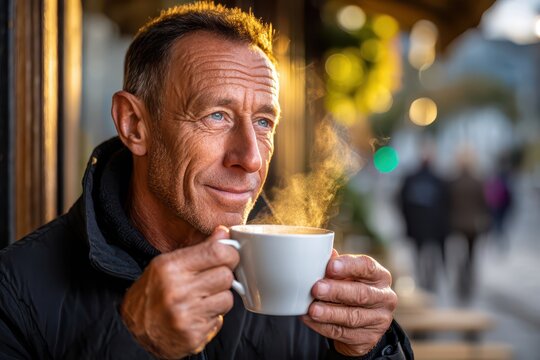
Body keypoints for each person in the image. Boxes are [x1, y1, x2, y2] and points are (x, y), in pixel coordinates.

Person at [0, 3, 412, 359]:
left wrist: (372, 348)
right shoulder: (14, 290)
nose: (250, 158)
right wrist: (136, 342)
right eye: (216, 115)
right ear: (135, 125)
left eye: (264, 121)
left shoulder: (294, 276)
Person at [398, 156, 449, 292]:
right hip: (434, 225)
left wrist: (406, 220)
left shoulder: (411, 179)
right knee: (432, 251)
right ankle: (429, 279)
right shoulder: (438, 180)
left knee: (418, 252)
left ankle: (421, 277)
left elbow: (402, 202)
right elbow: (446, 203)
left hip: (416, 225)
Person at [448, 154, 490, 300]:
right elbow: (484, 204)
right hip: (473, 225)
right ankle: (469, 277)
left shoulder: (454, 182)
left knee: (459, 254)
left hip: (457, 224)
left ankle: (461, 278)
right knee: (471, 254)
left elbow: (448, 204)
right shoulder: (478, 182)